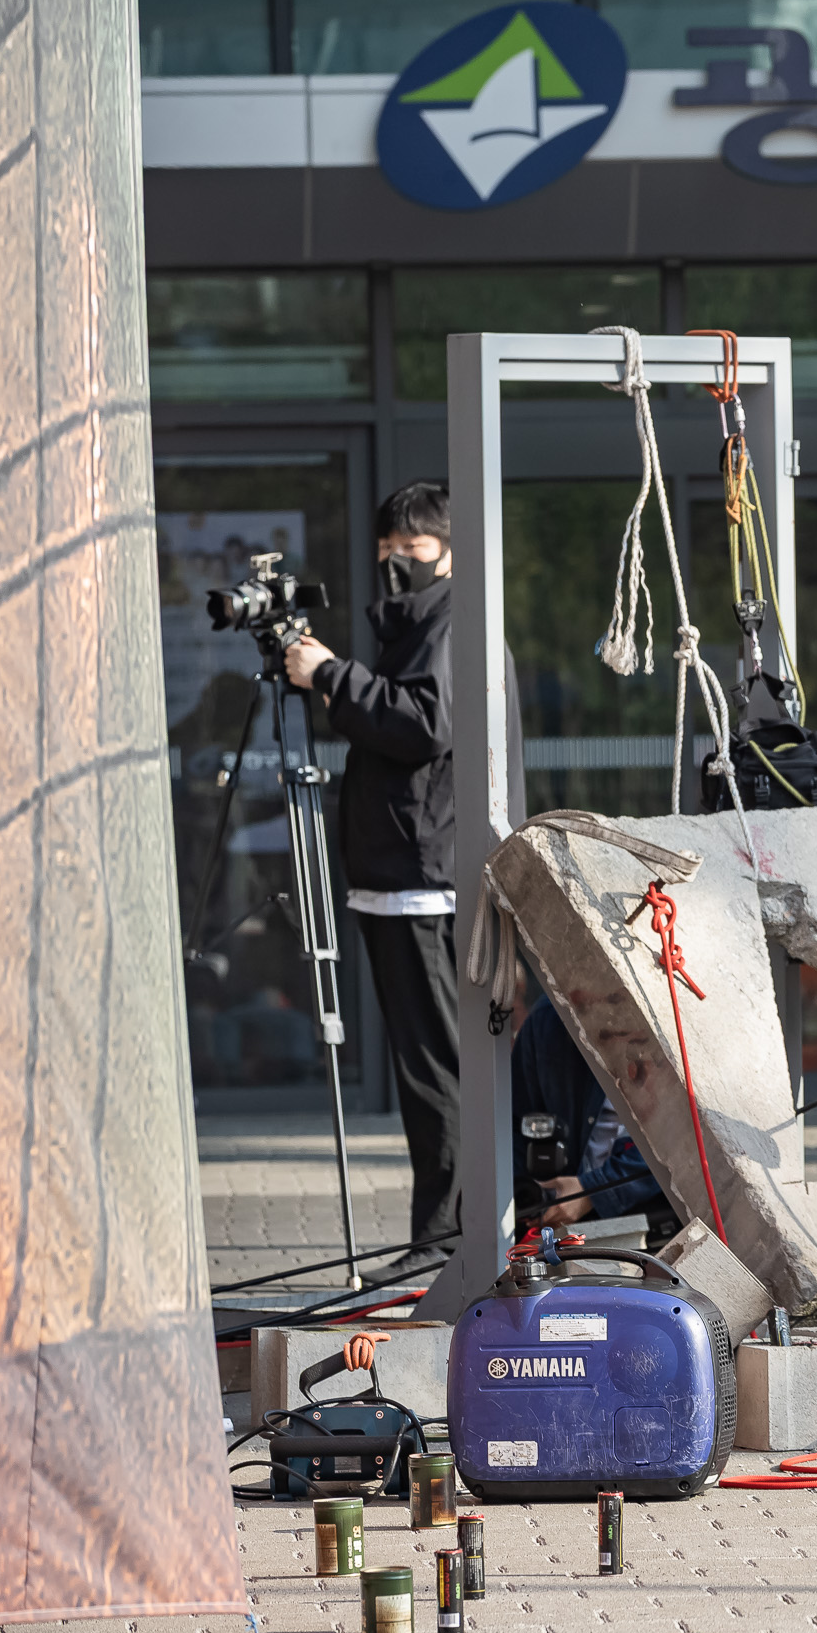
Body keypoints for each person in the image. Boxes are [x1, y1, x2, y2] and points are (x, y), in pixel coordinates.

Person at [283, 480, 465, 1276]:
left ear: (449, 549)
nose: (397, 567)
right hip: (395, 872)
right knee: (418, 1067)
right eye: (387, 553)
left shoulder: (453, 618)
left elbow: (425, 723)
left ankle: (444, 1240)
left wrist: (330, 677)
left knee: (436, 1068)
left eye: (413, 552)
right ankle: (442, 1232)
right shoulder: (414, 621)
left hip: (427, 874)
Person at [509, 996, 671, 1237]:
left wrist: (592, 1191)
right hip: (556, 1222)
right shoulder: (545, 1023)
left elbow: (680, 1142)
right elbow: (516, 1127)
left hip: (654, 1220)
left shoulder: (672, 1026)